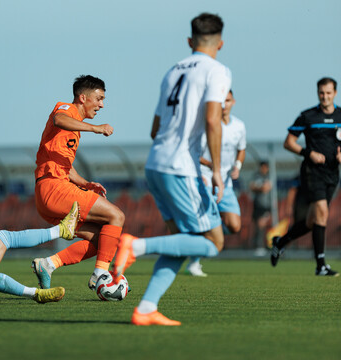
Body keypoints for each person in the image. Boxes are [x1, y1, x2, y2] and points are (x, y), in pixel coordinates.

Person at [111, 13, 231, 326]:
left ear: (190, 41)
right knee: (213, 242)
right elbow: (212, 120)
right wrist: (217, 170)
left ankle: (147, 308)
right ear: (220, 43)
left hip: (156, 163)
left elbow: (155, 128)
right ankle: (135, 245)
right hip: (181, 168)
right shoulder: (217, 70)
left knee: (182, 240)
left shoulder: (173, 71)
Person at [32, 75, 125, 291]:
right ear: (83, 98)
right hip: (53, 189)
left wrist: (86, 184)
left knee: (103, 241)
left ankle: (48, 264)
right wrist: (97, 128)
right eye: (99, 98)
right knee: (117, 216)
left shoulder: (75, 127)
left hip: (50, 194)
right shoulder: (66, 109)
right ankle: (101, 275)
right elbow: (58, 119)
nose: (102, 105)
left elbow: (65, 165)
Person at [271, 77, 341, 276]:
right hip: (312, 173)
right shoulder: (308, 116)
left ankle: (281, 241)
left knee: (313, 221)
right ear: (317, 93)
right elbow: (289, 142)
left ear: (335, 93)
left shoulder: (340, 115)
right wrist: (308, 153)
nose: (325, 97)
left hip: (332, 174)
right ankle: (321, 265)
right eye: (321, 93)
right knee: (322, 213)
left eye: (328, 93)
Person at [186, 89, 246, 276]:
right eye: (221, 101)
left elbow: (241, 149)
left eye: (227, 100)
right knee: (205, 223)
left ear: (233, 101)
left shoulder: (239, 126)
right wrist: (212, 165)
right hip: (205, 180)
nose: (224, 104)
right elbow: (193, 151)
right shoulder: (207, 125)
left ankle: (207, 233)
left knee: (235, 226)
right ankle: (194, 262)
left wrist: (237, 165)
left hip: (225, 183)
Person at [249, 161, 272, 256]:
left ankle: (261, 246)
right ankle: (257, 246)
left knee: (261, 224)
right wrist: (260, 187)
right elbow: (251, 187)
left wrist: (258, 187)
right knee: (256, 225)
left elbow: (266, 188)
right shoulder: (256, 176)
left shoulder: (270, 176)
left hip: (266, 206)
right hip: (257, 205)